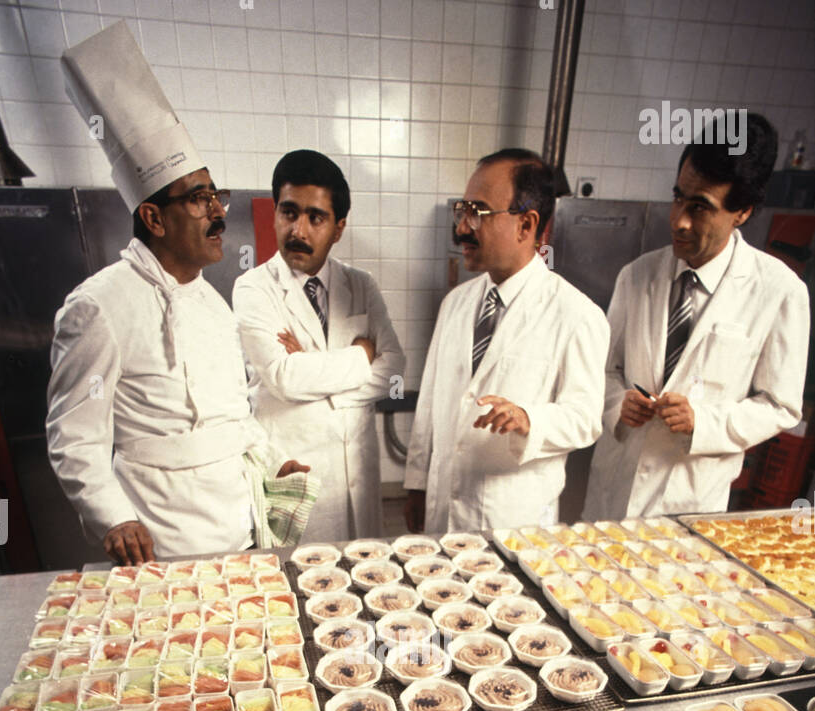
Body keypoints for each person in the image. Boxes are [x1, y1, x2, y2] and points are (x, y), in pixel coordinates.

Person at [47, 23, 310, 564]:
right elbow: (74, 433)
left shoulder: (213, 303)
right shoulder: (99, 306)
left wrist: (272, 457)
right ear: (152, 217)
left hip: (238, 529)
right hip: (159, 538)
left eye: (217, 195)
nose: (218, 212)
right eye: (197, 199)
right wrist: (113, 514)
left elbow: (234, 415)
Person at [583, 112, 810, 521]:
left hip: (689, 500)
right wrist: (619, 402)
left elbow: (780, 405)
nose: (679, 220)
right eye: (677, 198)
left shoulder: (780, 292)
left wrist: (703, 422)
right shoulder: (637, 275)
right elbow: (601, 370)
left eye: (700, 207)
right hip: (614, 490)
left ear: (743, 211)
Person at [403, 148, 608, 534]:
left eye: (477, 213)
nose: (462, 227)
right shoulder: (456, 304)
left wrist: (531, 418)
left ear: (526, 225)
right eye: (462, 210)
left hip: (512, 520)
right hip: (442, 509)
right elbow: (429, 400)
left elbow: (585, 418)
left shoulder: (577, 314)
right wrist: (416, 483)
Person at [233, 150, 405, 541]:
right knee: (297, 586)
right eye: (289, 212)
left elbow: (394, 368)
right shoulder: (253, 288)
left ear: (339, 227)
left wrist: (314, 369)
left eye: (316, 217)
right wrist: (361, 355)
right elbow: (283, 378)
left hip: (358, 475)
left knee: (366, 581)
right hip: (299, 476)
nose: (298, 230)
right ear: (276, 213)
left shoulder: (362, 285)